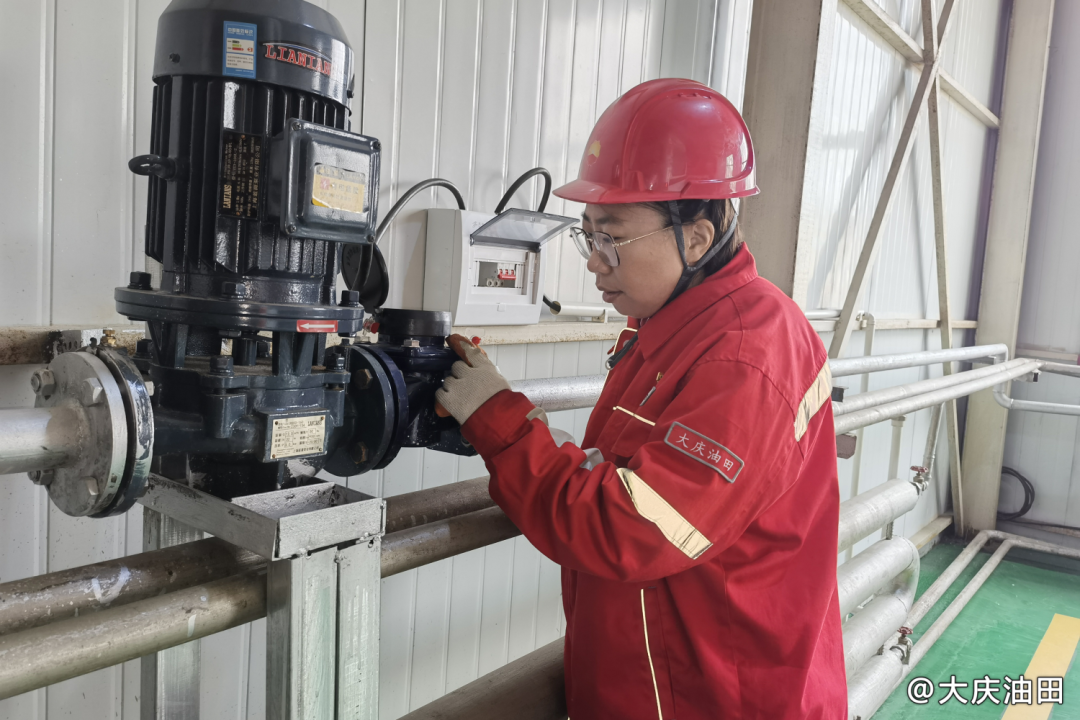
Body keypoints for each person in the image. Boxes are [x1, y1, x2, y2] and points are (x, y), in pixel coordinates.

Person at [436, 78, 847, 719]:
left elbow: (631, 527)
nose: (594, 262)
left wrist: (505, 426)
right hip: (658, 679)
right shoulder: (671, 328)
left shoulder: (746, 354)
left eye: (612, 237)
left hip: (716, 699)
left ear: (696, 238)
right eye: (587, 235)